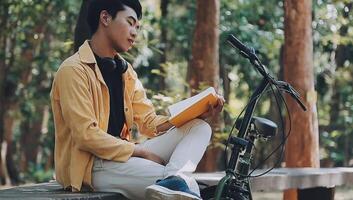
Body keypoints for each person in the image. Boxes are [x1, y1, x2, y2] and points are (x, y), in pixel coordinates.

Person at [50, 0, 224, 199]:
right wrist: (140, 152)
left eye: (137, 27)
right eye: (130, 22)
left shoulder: (126, 72)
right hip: (91, 164)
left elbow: (149, 123)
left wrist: (195, 113)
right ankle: (176, 181)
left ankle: (176, 177)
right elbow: (86, 136)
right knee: (186, 187)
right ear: (105, 18)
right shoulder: (73, 70)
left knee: (200, 127)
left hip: (122, 155)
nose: (135, 33)